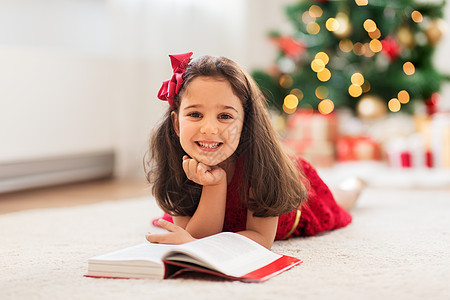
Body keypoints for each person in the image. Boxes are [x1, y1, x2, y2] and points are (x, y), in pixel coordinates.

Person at [145, 52, 364, 249]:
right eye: (195, 114)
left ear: (245, 123)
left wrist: (194, 243)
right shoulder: (176, 163)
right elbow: (197, 237)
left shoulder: (263, 168)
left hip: (298, 197)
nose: (209, 129)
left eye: (225, 116)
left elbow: (260, 238)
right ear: (176, 124)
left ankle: (355, 183)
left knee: (340, 199)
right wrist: (215, 184)